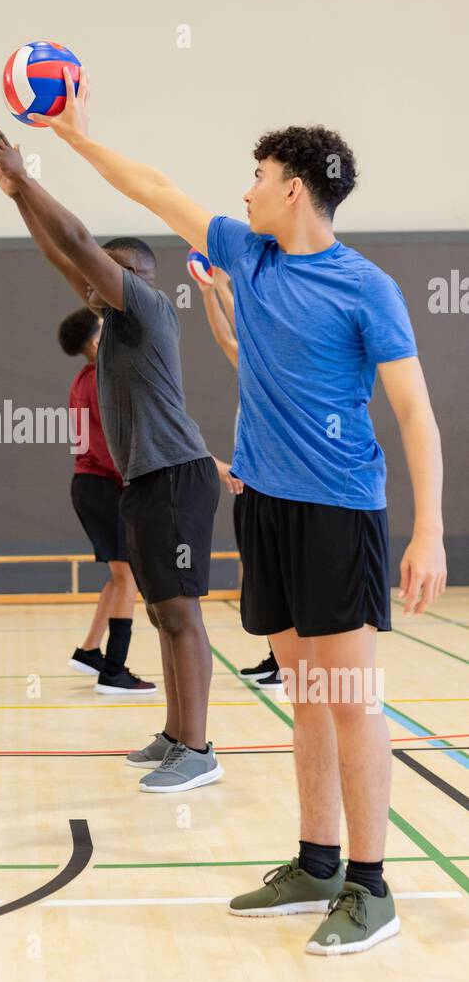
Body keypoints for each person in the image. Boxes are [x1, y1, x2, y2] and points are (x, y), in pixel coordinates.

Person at [30, 68, 446, 954]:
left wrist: (428, 531)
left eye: (257, 175)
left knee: (349, 699)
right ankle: (316, 862)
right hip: (265, 507)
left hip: (338, 514)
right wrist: (72, 136)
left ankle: (372, 889)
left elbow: (414, 410)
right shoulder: (246, 255)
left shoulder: (364, 287)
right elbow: (154, 187)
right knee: (302, 696)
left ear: (293, 188)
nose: (244, 188)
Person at [0, 126, 223, 795]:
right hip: (145, 481)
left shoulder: (144, 307)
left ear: (138, 274)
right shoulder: (112, 319)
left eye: (108, 272)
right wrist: (14, 197)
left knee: (181, 614)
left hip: (175, 478)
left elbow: (81, 246)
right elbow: (65, 255)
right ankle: (177, 734)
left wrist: (28, 177)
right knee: (158, 613)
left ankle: (198, 748)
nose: (92, 282)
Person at [58, 307, 155, 696]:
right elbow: (105, 447)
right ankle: (114, 670)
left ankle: (89, 650)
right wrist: (135, 480)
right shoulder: (102, 379)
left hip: (90, 485)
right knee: (127, 575)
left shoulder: (85, 377)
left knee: (119, 575)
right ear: (98, 342)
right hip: (102, 485)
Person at [193, 266, 280, 689]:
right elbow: (226, 339)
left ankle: (290, 659)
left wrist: (224, 288)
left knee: (280, 568)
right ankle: (277, 653)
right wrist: (208, 291)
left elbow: (244, 329)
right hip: (251, 480)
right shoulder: (252, 373)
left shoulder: (281, 374)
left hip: (279, 483)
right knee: (260, 568)